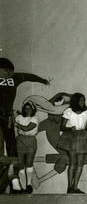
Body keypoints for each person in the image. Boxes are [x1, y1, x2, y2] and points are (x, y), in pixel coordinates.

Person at [0, 57, 50, 193]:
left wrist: (42, 80)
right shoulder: (10, 77)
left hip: (7, 117)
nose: (9, 73)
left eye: (11, 71)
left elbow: (28, 76)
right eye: (6, 71)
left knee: (13, 151)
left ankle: (15, 184)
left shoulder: (15, 78)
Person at [57, 93, 87, 194]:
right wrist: (69, 129)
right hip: (71, 137)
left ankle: (75, 187)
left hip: (81, 137)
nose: (82, 103)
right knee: (73, 162)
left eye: (83, 100)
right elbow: (61, 127)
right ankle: (70, 187)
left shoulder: (85, 112)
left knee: (80, 163)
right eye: (81, 100)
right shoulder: (68, 112)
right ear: (76, 101)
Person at [12, 101, 39, 193]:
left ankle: (28, 185)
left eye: (30, 108)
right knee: (20, 164)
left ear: (33, 109)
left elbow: (27, 128)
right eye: (26, 108)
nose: (28, 110)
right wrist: (12, 117)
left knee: (29, 163)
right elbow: (12, 122)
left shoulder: (35, 118)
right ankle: (23, 186)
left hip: (31, 141)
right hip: (20, 141)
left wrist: (15, 123)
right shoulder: (19, 117)